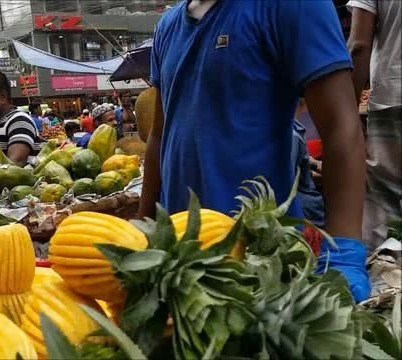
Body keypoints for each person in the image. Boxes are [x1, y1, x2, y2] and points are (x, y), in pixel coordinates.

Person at [139, 0, 368, 301]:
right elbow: (159, 137)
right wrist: (142, 229)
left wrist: (344, 250)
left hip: (263, 264)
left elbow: (341, 129)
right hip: (177, 264)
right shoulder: (167, 28)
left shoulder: (290, 6)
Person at [347, 0, 401, 250]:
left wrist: (347, 113)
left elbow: (359, 45)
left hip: (392, 96)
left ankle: (382, 275)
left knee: (383, 200)